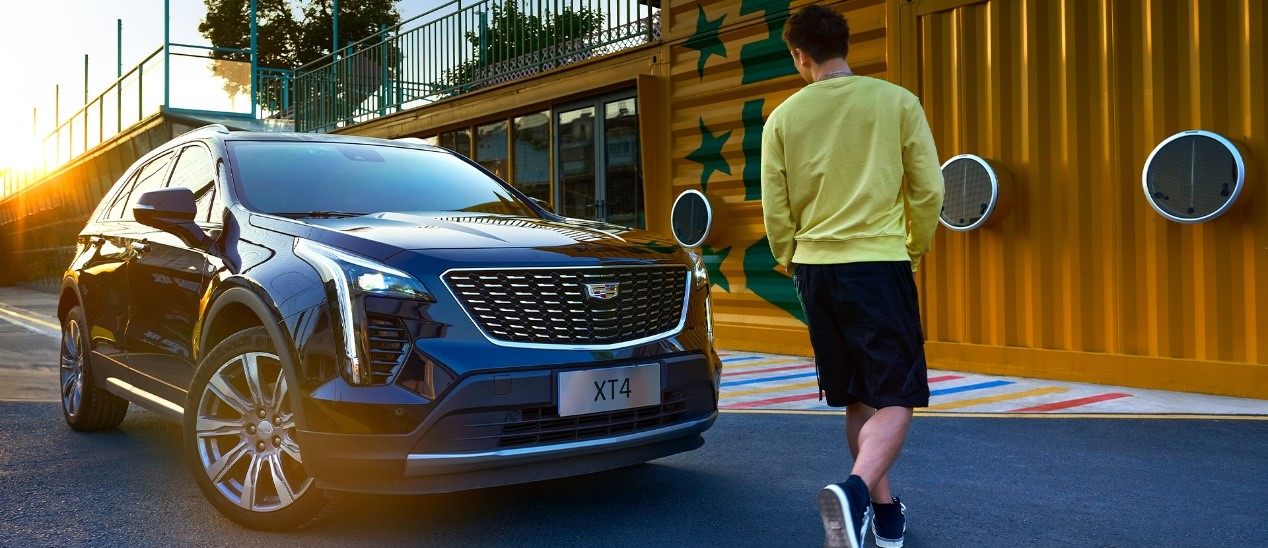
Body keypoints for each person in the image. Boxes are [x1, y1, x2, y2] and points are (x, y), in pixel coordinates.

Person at [759, 5, 945, 548]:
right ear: (846, 45)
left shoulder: (782, 118)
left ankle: (883, 515)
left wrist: (792, 258)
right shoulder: (896, 101)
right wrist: (911, 250)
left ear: (800, 55)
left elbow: (775, 210)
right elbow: (928, 190)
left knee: (858, 398)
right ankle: (856, 490)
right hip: (879, 265)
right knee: (897, 396)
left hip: (816, 272)